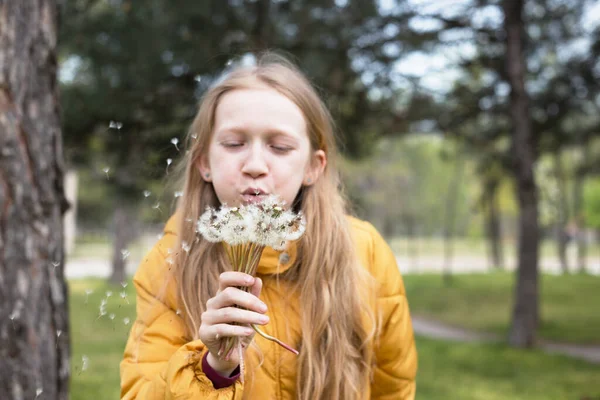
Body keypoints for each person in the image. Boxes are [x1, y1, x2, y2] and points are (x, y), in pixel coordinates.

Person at [120, 53, 417, 399]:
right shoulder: (170, 263)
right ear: (204, 163)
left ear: (313, 167)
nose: (255, 165)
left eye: (279, 147)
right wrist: (213, 368)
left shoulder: (364, 254)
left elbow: (393, 387)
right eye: (234, 144)